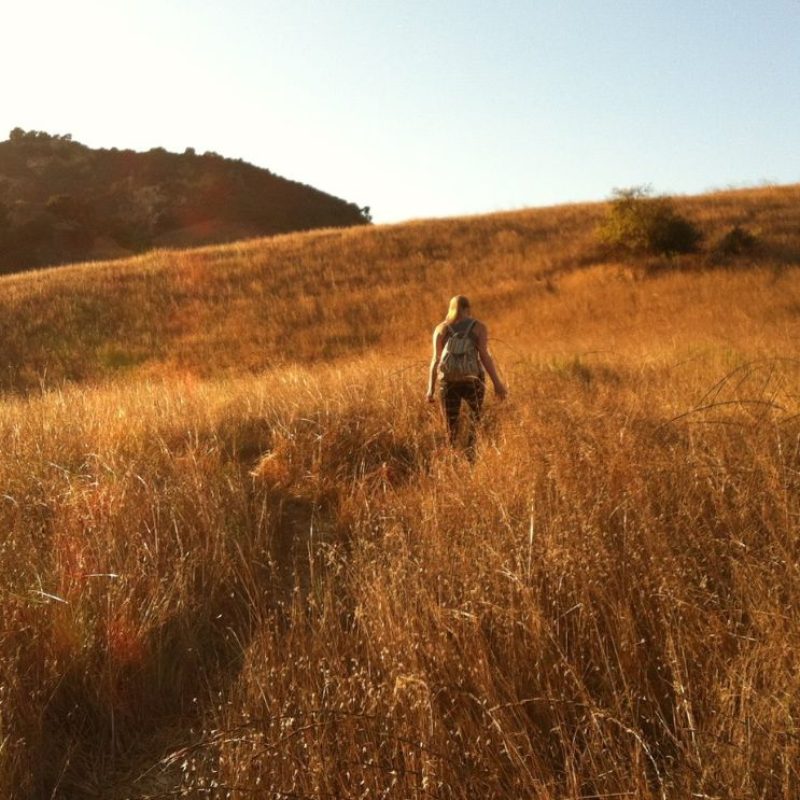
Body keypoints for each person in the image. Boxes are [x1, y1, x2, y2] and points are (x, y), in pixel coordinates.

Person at [426, 295, 508, 450]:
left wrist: (430, 389)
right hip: (473, 380)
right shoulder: (478, 327)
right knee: (475, 420)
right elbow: (484, 356)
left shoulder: (441, 329)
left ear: (450, 308)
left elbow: (435, 360)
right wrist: (497, 384)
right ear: (467, 308)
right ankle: (471, 453)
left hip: (448, 383)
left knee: (450, 427)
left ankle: (453, 456)